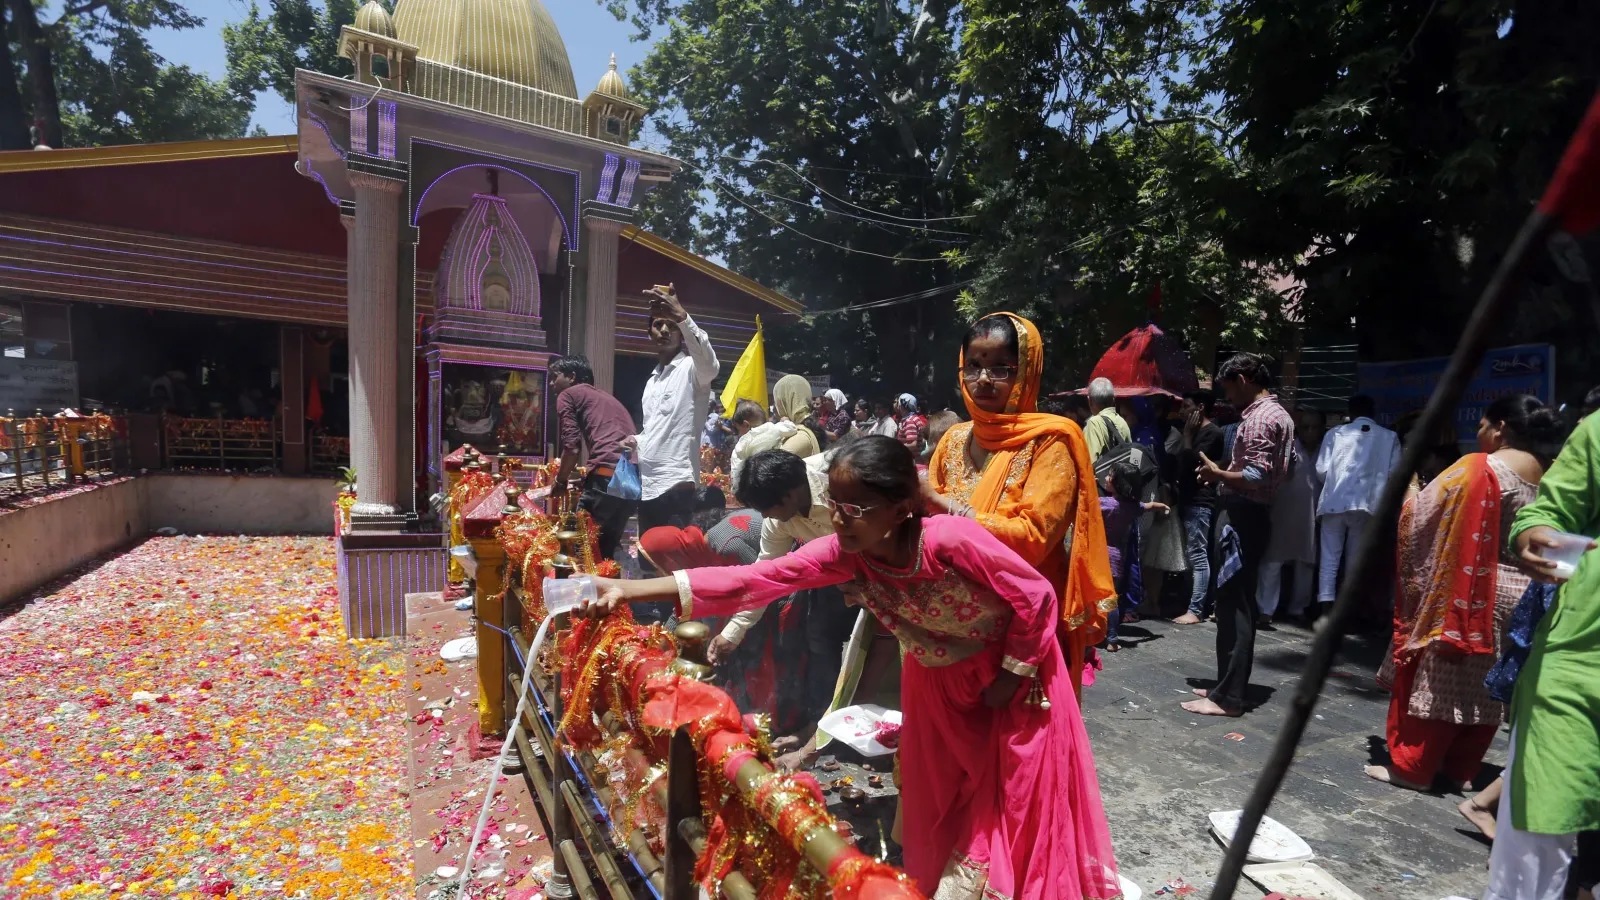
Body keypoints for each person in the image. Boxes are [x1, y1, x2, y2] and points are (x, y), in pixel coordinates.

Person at [577, 437, 1122, 900]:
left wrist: (1012, 672)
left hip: (1008, 682)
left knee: (1008, 807)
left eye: (854, 508)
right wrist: (628, 587)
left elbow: (1035, 595)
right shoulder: (846, 552)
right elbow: (755, 580)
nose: (837, 520)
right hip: (934, 684)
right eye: (834, 505)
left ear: (902, 506)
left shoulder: (950, 541)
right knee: (937, 801)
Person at [1366, 395, 1560, 794]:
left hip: (1471, 592)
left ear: (1501, 427)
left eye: (1482, 426)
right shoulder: (1550, 473)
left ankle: (1413, 768)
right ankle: (1461, 769)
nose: (1479, 435)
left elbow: (1418, 517)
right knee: (1487, 690)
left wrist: (1407, 480)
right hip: (1522, 597)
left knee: (1440, 682)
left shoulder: (1480, 468)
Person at [926, 313, 1115, 695]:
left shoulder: (1051, 441)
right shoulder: (953, 440)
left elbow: (1032, 538)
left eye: (1000, 369)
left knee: (1013, 748)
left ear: (1026, 371)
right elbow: (923, 527)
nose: (982, 380)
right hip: (952, 621)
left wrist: (944, 507)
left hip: (1023, 628)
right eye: (973, 367)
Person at [1476, 402, 1597, 900]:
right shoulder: (1597, 433)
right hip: (1579, 662)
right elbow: (1550, 513)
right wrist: (1533, 534)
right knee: (1538, 836)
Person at [1187, 353, 1295, 717]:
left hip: (1242, 514)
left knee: (1234, 605)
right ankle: (1226, 686)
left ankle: (1229, 696)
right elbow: (1285, 468)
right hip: (1253, 513)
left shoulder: (1261, 419)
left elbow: (1257, 474)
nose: (1226, 395)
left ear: (1245, 378)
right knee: (1236, 602)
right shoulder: (1278, 415)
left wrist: (1221, 475)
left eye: (1229, 387)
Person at [720, 449, 851, 726]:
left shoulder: (842, 481)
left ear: (790, 496)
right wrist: (734, 631)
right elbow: (766, 577)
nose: (765, 516)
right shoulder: (777, 520)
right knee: (819, 638)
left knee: (874, 647)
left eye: (767, 509)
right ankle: (821, 723)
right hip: (834, 577)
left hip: (884, 570)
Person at [635, 283, 720, 536]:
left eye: (671, 326)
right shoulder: (652, 381)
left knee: (674, 565)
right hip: (648, 484)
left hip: (678, 484)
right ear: (649, 332)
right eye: (658, 325)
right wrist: (636, 441)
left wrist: (682, 317)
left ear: (681, 334)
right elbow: (652, 429)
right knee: (649, 560)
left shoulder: (692, 370)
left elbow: (711, 365)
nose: (664, 330)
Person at [1313, 395, 1401, 614]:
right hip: (1367, 506)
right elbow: (1393, 474)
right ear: (1373, 413)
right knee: (1355, 562)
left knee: (1329, 558)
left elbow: (1321, 470)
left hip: (1334, 502)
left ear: (1350, 412)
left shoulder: (1334, 434)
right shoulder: (1389, 437)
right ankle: (1347, 614)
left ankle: (1325, 608)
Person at [550, 355, 637, 560]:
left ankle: (578, 590)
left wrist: (560, 481)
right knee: (606, 550)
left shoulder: (568, 394)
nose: (552, 384)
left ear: (571, 377)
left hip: (606, 477)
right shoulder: (606, 397)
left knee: (576, 547)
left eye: (555, 377)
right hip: (631, 479)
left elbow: (572, 448)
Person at [1099, 462, 1171, 650]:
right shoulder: (1132, 506)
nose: (1106, 478)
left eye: (1110, 476)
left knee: (1095, 596)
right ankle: (1112, 639)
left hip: (1098, 555)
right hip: (1116, 557)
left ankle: (1094, 634)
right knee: (1111, 598)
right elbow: (1149, 505)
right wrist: (1163, 506)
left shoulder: (1104, 504)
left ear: (1118, 482)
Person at [1174, 391, 1227, 625]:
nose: (1182, 411)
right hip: (1186, 498)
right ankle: (1189, 602)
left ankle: (1196, 609)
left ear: (1201, 407)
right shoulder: (1194, 432)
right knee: (1190, 555)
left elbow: (1193, 463)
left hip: (1199, 501)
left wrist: (1187, 438)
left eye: (1187, 406)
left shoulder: (1212, 434)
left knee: (1198, 555)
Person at [1257, 432, 1317, 624]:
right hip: (1283, 507)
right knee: (1273, 560)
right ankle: (1266, 610)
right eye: (1306, 426)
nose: (1310, 431)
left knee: (1306, 561)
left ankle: (1298, 608)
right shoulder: (1289, 447)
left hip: (1312, 514)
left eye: (1314, 427)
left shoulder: (1326, 447)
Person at [772, 374, 822, 458]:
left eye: (776, 400)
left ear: (784, 402)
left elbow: (769, 467)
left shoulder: (800, 437)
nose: (774, 406)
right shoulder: (796, 430)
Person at [1083, 377, 1131, 461]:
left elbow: (1089, 462)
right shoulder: (1122, 421)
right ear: (1113, 399)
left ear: (1089, 401)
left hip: (1104, 474)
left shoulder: (1094, 423)